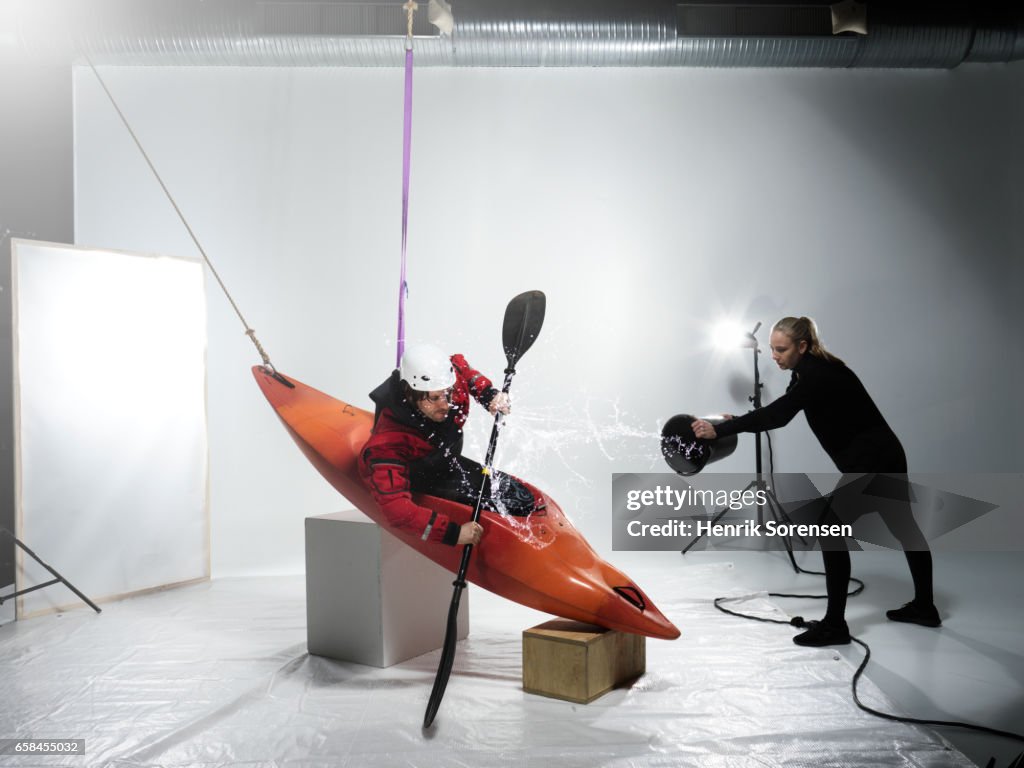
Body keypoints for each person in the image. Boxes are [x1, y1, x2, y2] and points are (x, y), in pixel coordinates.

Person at [691, 316, 939, 647]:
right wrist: (738, 421)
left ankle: (835, 626)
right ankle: (925, 607)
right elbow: (779, 408)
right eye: (771, 349)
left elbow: (778, 416)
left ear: (802, 346)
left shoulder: (820, 375)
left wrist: (721, 430)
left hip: (874, 462)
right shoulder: (809, 371)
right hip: (887, 455)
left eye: (781, 349)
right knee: (903, 527)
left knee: (830, 530)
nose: (774, 356)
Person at [358, 343, 533, 548]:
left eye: (447, 394)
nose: (445, 404)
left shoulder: (447, 383)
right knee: (502, 504)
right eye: (433, 398)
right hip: (422, 477)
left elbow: (466, 373)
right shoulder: (387, 443)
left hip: (446, 461)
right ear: (410, 393)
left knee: (520, 499)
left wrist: (490, 396)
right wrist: (453, 533)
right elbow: (396, 511)